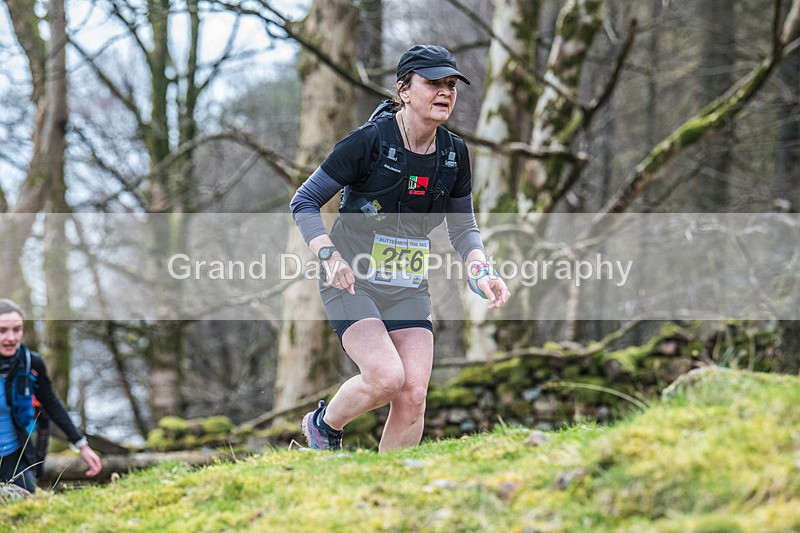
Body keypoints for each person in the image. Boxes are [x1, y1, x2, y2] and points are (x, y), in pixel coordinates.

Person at [290, 44, 511, 452]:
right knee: (385, 377)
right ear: (404, 90)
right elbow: (304, 201)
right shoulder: (368, 142)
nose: (444, 92)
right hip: (352, 281)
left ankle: (390, 485)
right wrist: (327, 254)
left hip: (407, 286)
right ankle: (323, 426)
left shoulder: (453, 153)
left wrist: (480, 267)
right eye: (433, 83)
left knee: (413, 395)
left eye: (450, 85)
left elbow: (464, 227)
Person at [0, 299, 102, 491]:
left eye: (17, 329)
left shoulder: (31, 363)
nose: (11, 337)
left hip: (14, 456)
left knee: (25, 510)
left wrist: (82, 445)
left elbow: (51, 404)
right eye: (2, 330)